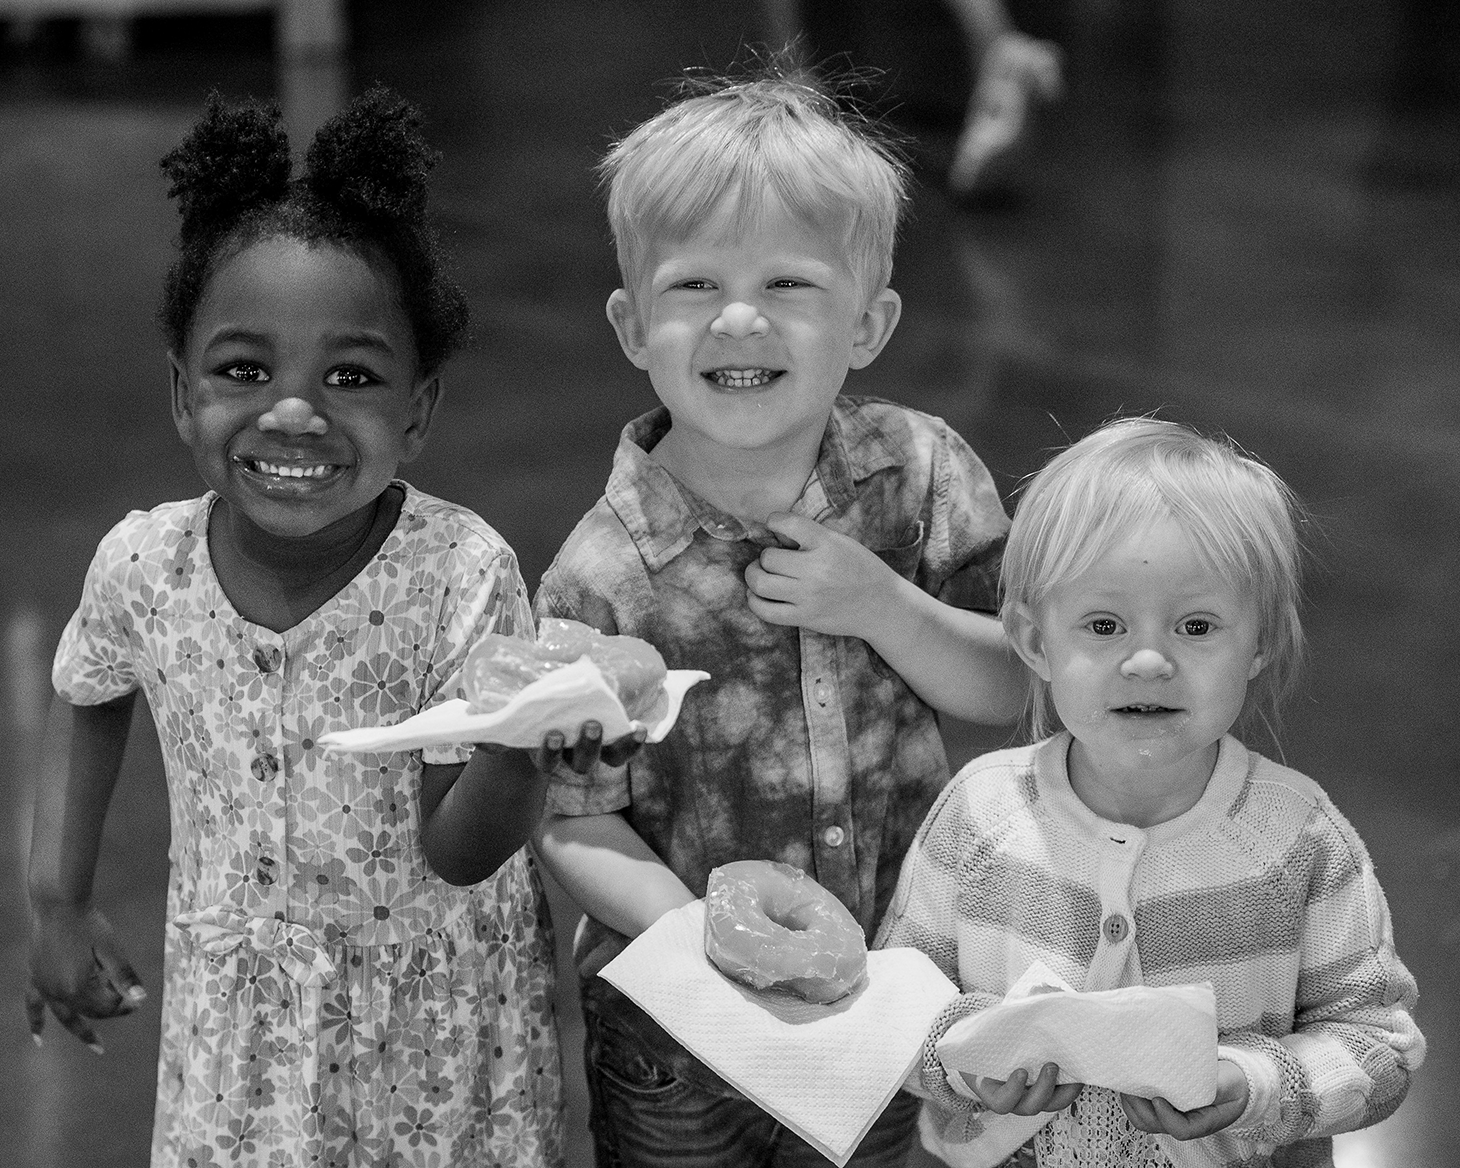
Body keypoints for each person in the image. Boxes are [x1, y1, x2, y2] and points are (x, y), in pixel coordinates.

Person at [25, 87, 627, 1168]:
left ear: (419, 410)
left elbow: (461, 850)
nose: (293, 410)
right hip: (236, 1029)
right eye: (243, 370)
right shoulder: (144, 565)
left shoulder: (459, 573)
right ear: (181, 392)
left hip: (434, 1044)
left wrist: (516, 748)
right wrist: (57, 900)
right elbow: (88, 687)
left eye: (349, 376)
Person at [531, 65, 1026, 1167]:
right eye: (694, 284)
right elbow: (573, 814)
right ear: (630, 326)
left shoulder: (921, 477)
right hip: (676, 1044)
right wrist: (696, 944)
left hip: (898, 997)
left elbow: (1010, 686)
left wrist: (884, 607)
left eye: (789, 285)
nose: (739, 316)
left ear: (867, 323)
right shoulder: (599, 576)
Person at [876, 418, 1426, 1167]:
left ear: (1259, 640)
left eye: (1196, 626)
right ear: (1035, 641)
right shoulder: (979, 815)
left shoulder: (1298, 841)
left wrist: (1253, 1081)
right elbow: (896, 1009)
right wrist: (966, 1060)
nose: (1147, 661)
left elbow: (1377, 1047)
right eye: (1103, 625)